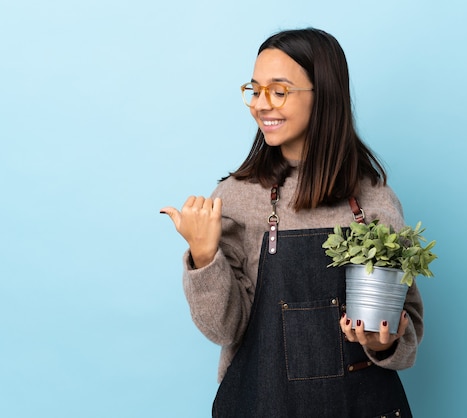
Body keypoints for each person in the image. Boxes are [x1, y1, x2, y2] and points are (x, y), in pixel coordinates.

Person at [160, 28, 424, 417]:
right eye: (255, 89)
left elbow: (408, 332)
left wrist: (383, 342)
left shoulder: (373, 199)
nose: (261, 105)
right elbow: (223, 331)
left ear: (325, 94)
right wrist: (203, 257)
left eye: (279, 91)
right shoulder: (234, 197)